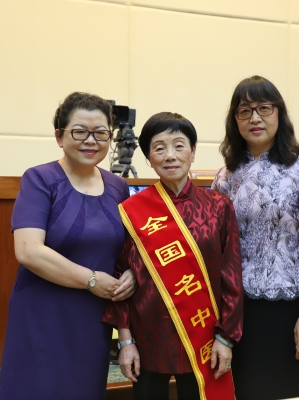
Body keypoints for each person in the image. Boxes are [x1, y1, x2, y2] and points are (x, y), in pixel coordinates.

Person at [0, 92, 136, 399]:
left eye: (100, 133)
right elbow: (28, 250)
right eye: (79, 132)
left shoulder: (118, 186)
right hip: (43, 313)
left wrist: (132, 275)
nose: (91, 141)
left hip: (93, 318)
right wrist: (92, 280)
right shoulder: (40, 179)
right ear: (59, 136)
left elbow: (126, 252)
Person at [103, 112, 243, 400]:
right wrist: (126, 341)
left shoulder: (219, 206)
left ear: (193, 152)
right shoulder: (131, 210)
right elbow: (120, 278)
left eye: (179, 146)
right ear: (149, 158)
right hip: (149, 338)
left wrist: (226, 337)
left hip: (205, 336)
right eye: (159, 148)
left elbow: (231, 275)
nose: (170, 155)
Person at [212, 75, 299, 399]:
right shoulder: (225, 176)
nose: (255, 118)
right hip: (234, 311)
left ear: (279, 113)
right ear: (235, 120)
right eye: (244, 111)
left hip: (286, 310)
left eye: (264, 108)